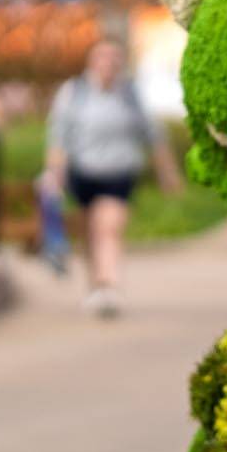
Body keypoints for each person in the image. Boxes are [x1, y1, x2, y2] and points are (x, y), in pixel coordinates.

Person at [45, 39, 181, 317]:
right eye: (101, 58)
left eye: (113, 59)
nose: (107, 64)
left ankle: (109, 285)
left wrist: (168, 173)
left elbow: (153, 135)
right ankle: (96, 285)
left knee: (109, 228)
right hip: (82, 172)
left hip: (120, 172)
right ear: (91, 62)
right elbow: (59, 137)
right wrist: (54, 175)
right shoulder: (74, 93)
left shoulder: (130, 94)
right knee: (89, 233)